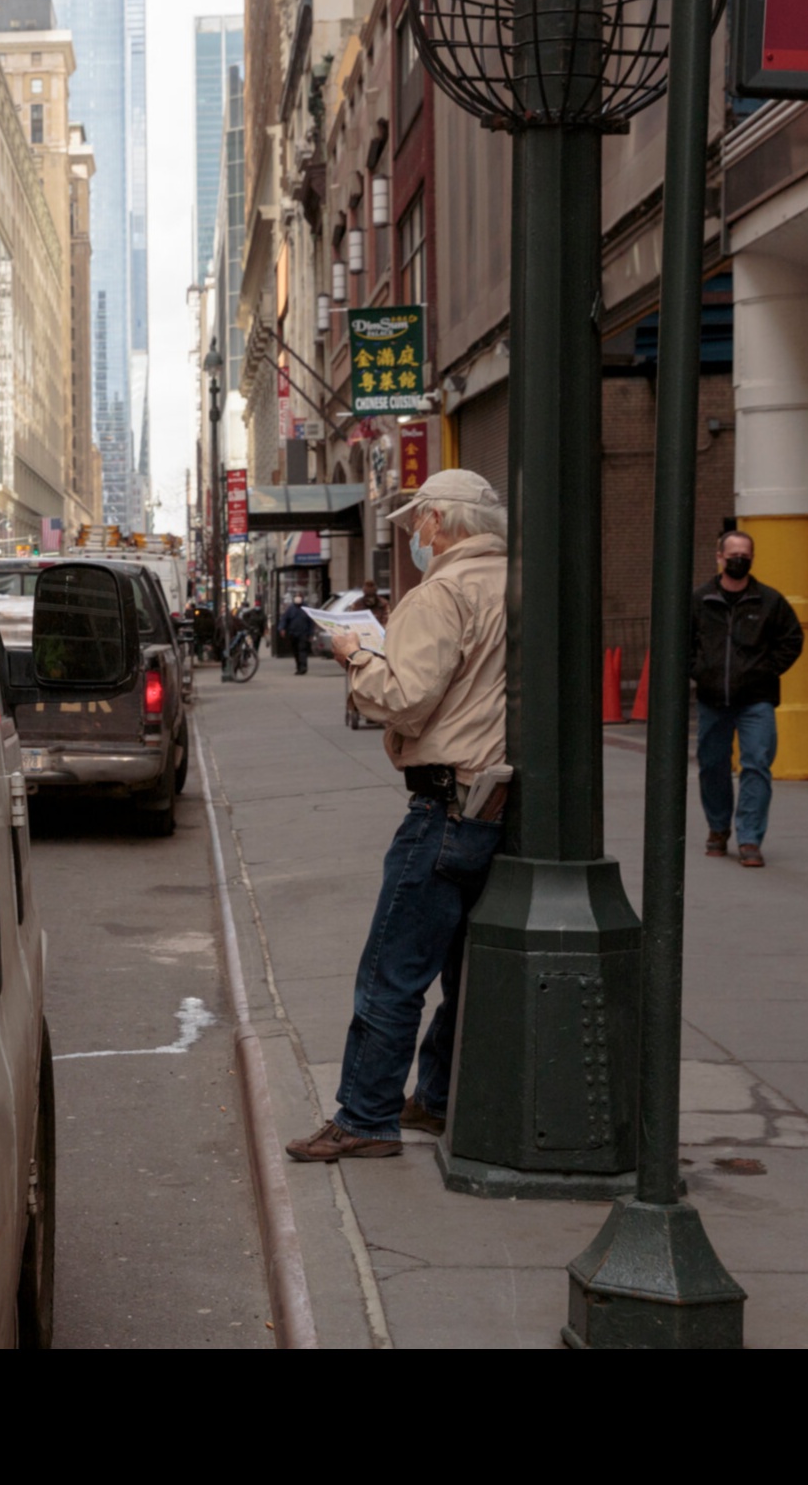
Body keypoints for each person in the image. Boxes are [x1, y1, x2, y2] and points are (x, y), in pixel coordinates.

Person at [285, 469, 509, 1163]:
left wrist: (356, 656)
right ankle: (435, 1098)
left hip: (444, 805)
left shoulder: (443, 591)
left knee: (392, 972)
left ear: (442, 522)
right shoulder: (517, 581)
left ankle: (367, 1116)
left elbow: (405, 695)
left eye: (420, 525)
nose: (417, 537)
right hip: (498, 803)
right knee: (464, 971)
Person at [691, 528, 803, 869]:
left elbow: (792, 640)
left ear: (752, 559)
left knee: (756, 765)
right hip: (713, 700)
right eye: (733, 554)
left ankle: (750, 838)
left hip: (757, 700)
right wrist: (700, 671)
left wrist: (766, 671)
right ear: (719, 558)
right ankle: (718, 828)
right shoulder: (699, 601)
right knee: (713, 766)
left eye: (745, 555)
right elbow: (680, 641)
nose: (739, 559)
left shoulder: (770, 601)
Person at [277, 598, 316, 675]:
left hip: (303, 633)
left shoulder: (306, 609)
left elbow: (311, 622)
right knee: (295, 651)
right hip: (293, 633)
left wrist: (311, 633)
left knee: (302, 650)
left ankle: (303, 667)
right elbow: (284, 619)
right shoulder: (291, 609)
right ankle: (299, 667)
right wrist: (282, 628)